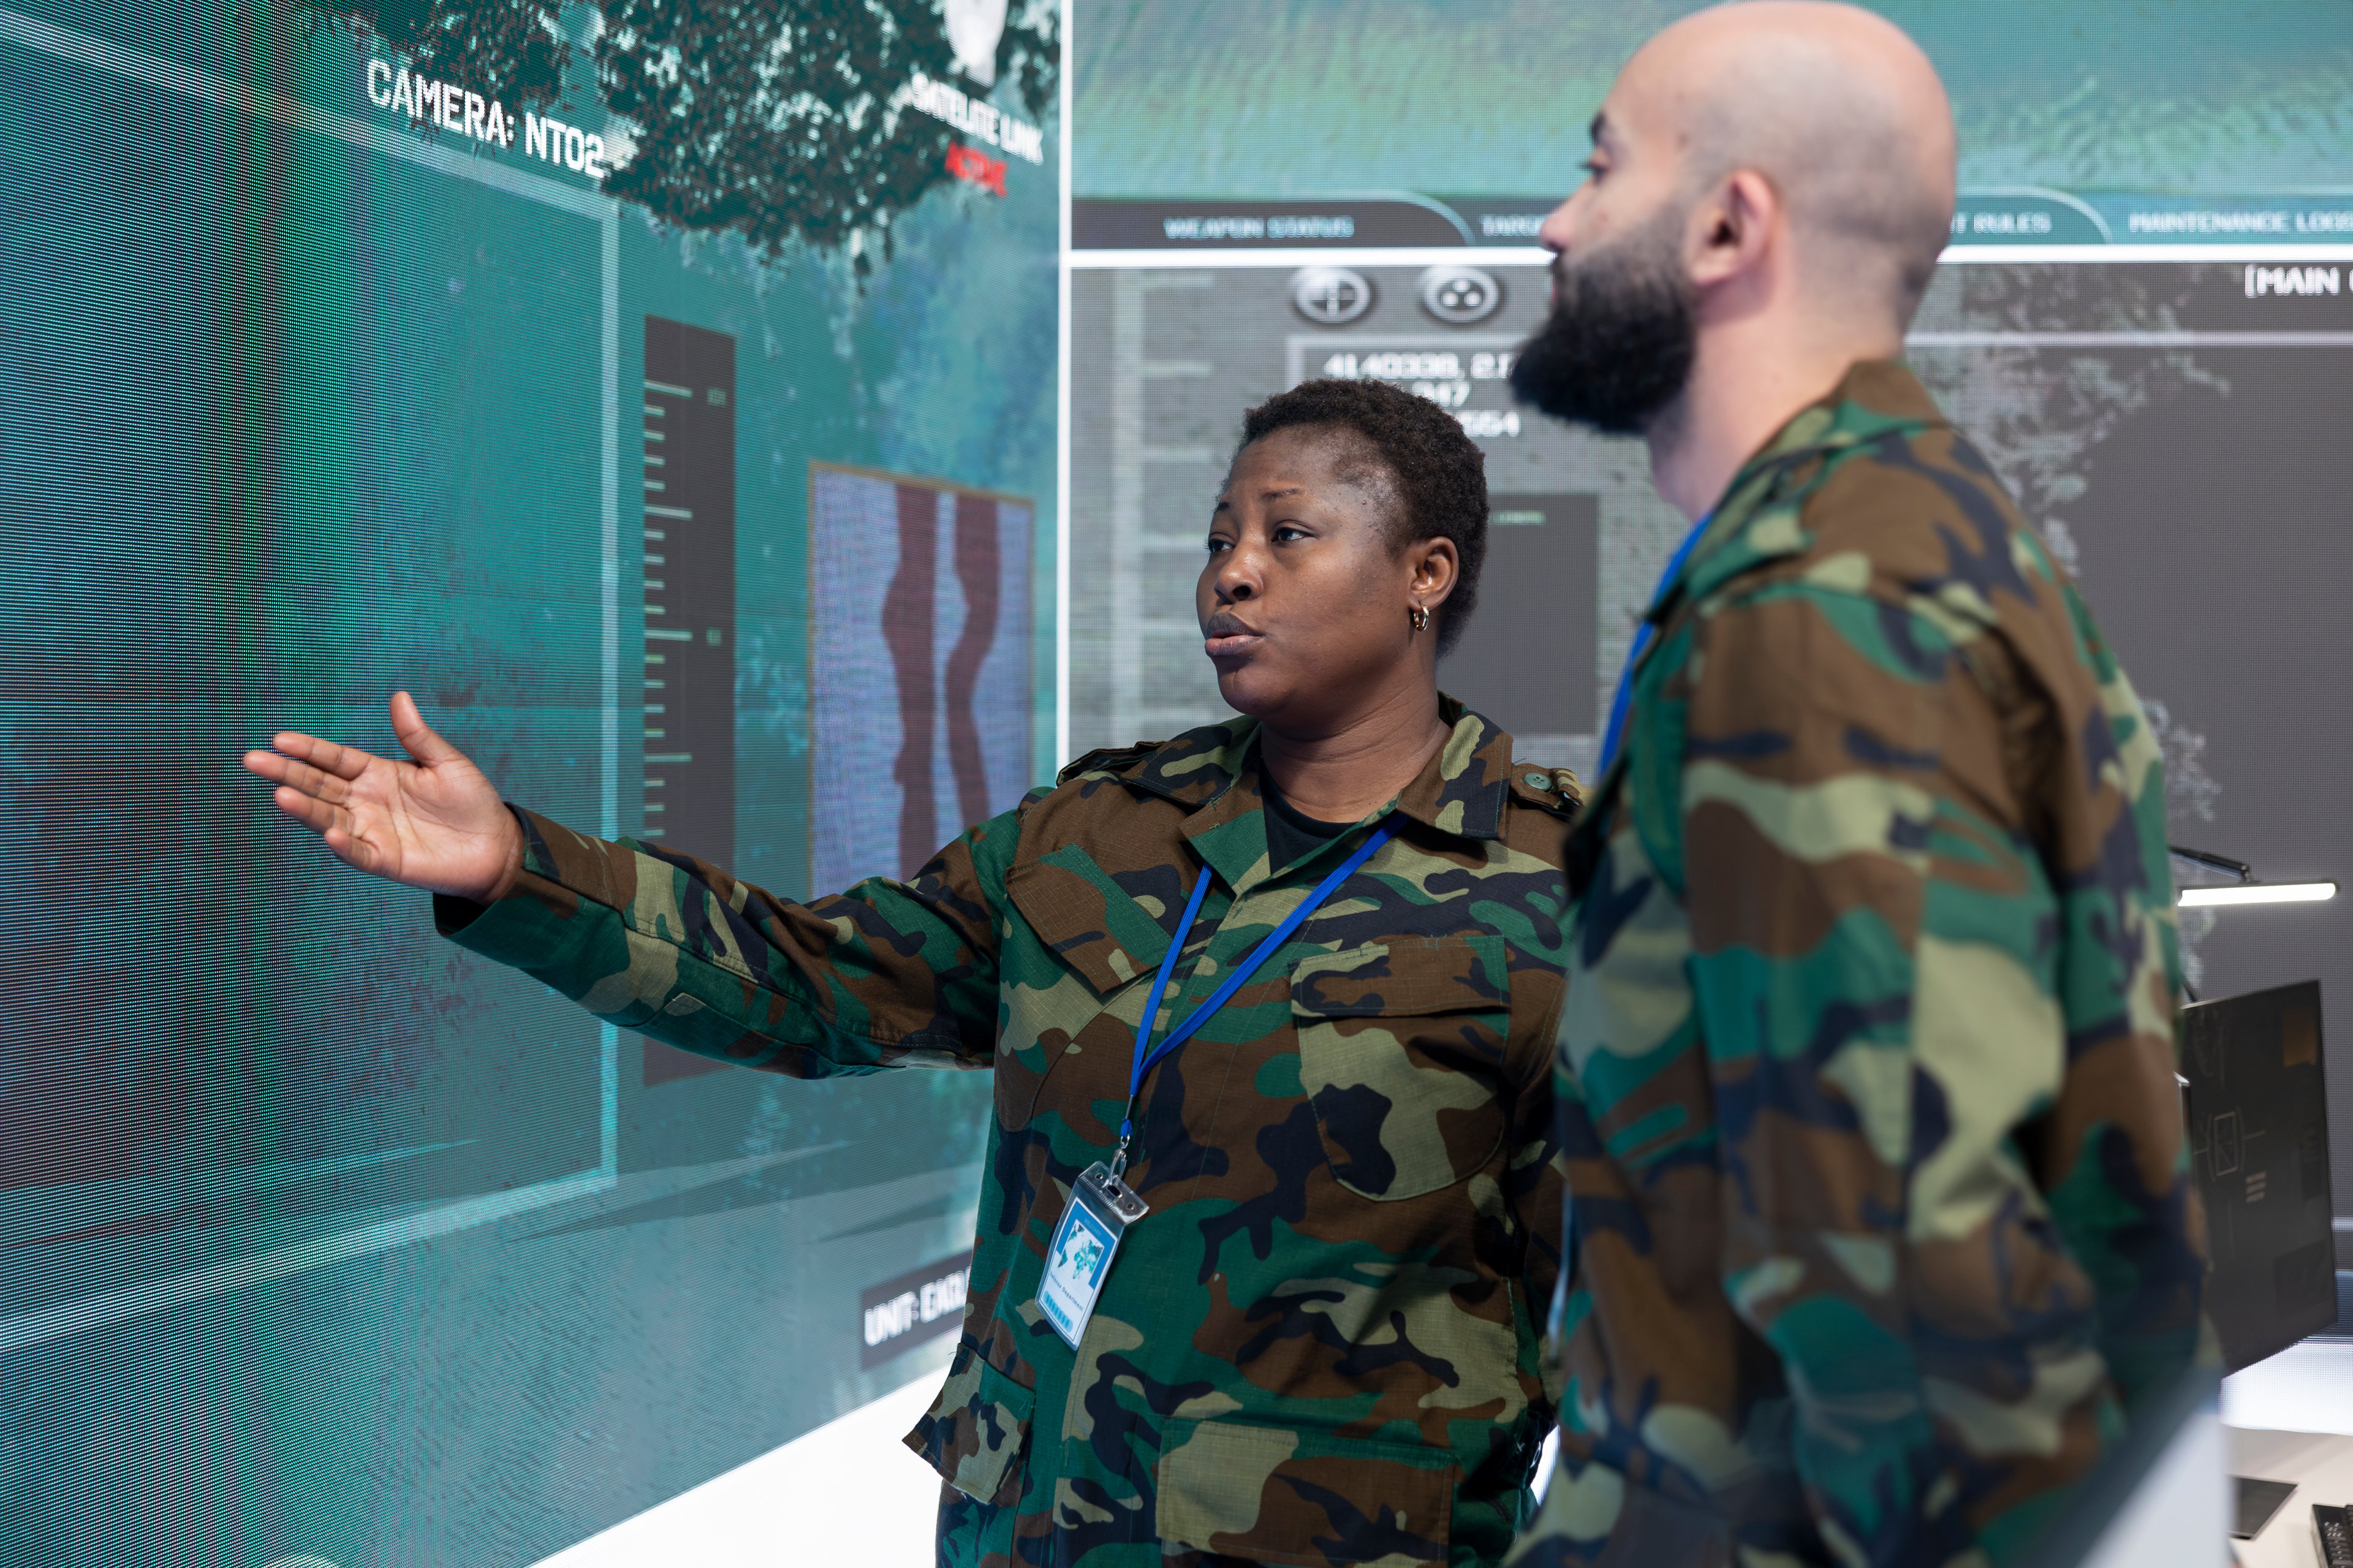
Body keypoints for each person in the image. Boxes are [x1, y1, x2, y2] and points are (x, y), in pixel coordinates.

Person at [245, 377, 1586, 1568]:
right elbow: (811, 978)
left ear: (1426, 570)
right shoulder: (1097, 832)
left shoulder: (1562, 893)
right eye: (1219, 539)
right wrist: (514, 866)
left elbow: (1645, 1309)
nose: (1231, 575)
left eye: (1287, 535)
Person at [1502, 5, 2205, 1566]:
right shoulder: (1893, 539)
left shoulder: (1814, 605)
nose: (1556, 221)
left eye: (1598, 167)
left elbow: (1908, 1289)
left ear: (1727, 224)